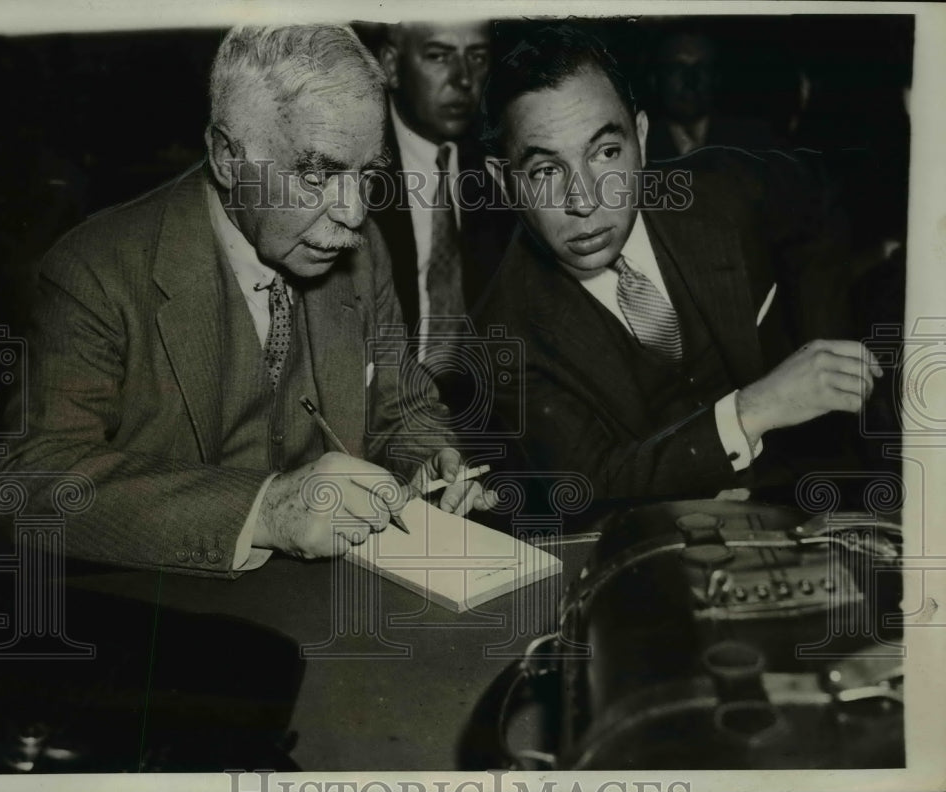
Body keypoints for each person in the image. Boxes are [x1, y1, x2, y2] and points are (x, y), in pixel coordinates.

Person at [0, 25, 494, 577]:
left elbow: (405, 408)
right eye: (318, 175)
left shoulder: (364, 249)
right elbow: (30, 480)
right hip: (163, 618)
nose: (353, 214)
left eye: (366, 175)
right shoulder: (96, 268)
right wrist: (267, 509)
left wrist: (432, 461)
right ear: (228, 157)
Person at [476, 25, 882, 508]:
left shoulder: (723, 191)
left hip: (807, 493)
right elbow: (590, 484)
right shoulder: (502, 330)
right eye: (546, 171)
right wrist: (757, 408)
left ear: (642, 139)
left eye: (606, 153)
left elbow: (819, 201)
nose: (583, 200)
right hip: (654, 538)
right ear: (504, 182)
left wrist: (824, 345)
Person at [370, 21, 513, 410]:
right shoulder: (354, 165)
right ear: (391, 65)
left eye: (478, 57)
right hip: (379, 407)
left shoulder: (504, 166)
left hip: (482, 410)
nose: (464, 79)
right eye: (438, 56)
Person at [645, 28, 782, 161]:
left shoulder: (756, 141)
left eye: (702, 68)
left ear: (716, 78)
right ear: (654, 80)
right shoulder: (639, 145)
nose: (691, 80)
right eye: (677, 69)